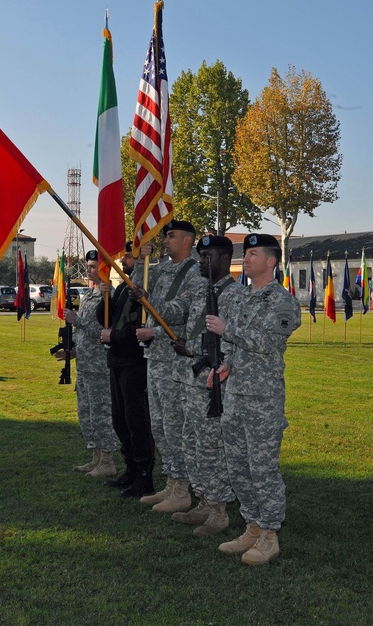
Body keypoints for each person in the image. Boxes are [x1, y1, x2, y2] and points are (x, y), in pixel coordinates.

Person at [206, 234, 300, 566]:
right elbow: (238, 347)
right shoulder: (245, 298)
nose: (246, 258)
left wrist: (227, 330)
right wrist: (224, 367)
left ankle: (270, 535)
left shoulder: (282, 301)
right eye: (245, 253)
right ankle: (252, 526)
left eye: (253, 253)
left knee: (262, 468)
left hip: (263, 399)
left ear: (271, 261)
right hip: (237, 394)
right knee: (239, 465)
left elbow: (269, 344)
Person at [141, 234, 242, 536]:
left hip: (212, 383)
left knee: (212, 446)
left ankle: (219, 511)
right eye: (199, 257)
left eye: (207, 257)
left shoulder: (234, 295)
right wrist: (145, 297)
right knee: (192, 443)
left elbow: (232, 339)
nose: (201, 262)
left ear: (224, 259)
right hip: (189, 379)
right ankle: (202, 501)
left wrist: (192, 347)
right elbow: (176, 310)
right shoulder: (200, 287)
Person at [133, 220, 202, 514]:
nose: (166, 240)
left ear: (187, 240)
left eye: (171, 235)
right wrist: (139, 260)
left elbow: (186, 316)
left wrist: (156, 332)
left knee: (176, 426)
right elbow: (139, 288)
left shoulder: (195, 271)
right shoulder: (161, 267)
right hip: (156, 358)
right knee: (160, 425)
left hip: (176, 358)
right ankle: (171, 482)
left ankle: (183, 488)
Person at [97, 243, 154, 498]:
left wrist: (115, 336)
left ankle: (144, 476)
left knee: (136, 420)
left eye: (129, 256)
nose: (123, 261)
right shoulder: (122, 287)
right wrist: (105, 297)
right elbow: (105, 319)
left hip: (135, 361)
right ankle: (130, 469)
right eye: (124, 256)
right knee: (119, 419)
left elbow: (144, 327)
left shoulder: (143, 289)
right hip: (117, 361)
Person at [64, 250, 118, 478]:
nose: (89, 270)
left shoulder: (109, 297)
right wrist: (73, 349)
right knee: (86, 413)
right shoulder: (90, 295)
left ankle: (107, 460)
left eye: (94, 266)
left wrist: (78, 320)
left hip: (99, 367)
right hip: (85, 364)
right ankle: (96, 457)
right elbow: (84, 333)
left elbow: (105, 331)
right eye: (88, 266)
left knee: (101, 414)